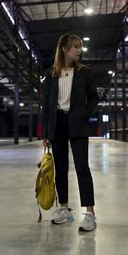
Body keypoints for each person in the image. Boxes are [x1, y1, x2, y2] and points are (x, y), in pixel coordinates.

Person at [41, 33, 99, 232]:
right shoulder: (51, 75)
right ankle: (64, 209)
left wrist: (83, 113)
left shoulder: (85, 72)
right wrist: (46, 133)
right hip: (57, 124)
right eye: (76, 47)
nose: (79, 50)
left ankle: (90, 213)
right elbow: (46, 106)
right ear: (64, 49)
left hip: (78, 124)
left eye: (80, 46)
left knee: (83, 168)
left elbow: (94, 98)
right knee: (61, 169)